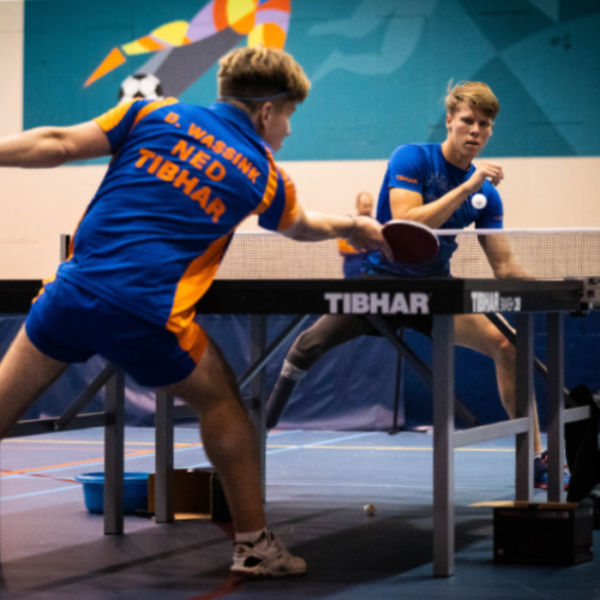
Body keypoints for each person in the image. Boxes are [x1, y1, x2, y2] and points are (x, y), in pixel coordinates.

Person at [0, 46, 390, 577]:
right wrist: (354, 225)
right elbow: (301, 226)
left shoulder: (152, 112)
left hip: (69, 294)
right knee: (222, 398)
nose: (289, 130)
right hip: (145, 315)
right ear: (267, 111)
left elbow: (59, 143)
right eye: (289, 115)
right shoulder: (264, 173)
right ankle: (255, 545)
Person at [266, 81, 552, 487]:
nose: (475, 130)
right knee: (307, 346)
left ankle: (535, 458)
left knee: (508, 345)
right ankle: (263, 425)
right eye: (467, 120)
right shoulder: (413, 158)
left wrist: (559, 284)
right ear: (449, 121)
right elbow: (407, 222)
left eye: (484, 124)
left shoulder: (488, 197)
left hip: (434, 292)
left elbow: (504, 268)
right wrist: (467, 188)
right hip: (380, 286)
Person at [337, 191, 375, 278]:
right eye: (365, 206)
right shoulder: (347, 224)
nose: (368, 209)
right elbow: (341, 247)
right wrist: (361, 247)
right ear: (357, 206)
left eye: (370, 206)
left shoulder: (376, 225)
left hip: (371, 275)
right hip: (352, 274)